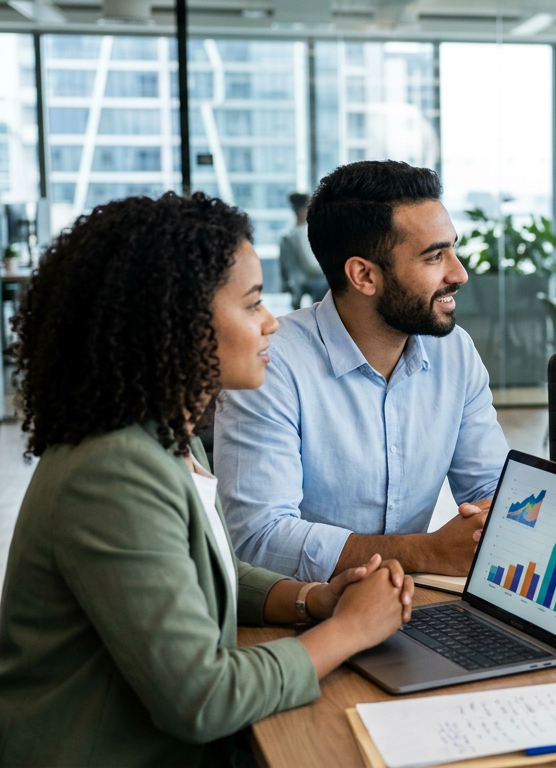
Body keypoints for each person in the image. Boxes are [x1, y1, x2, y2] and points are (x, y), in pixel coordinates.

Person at [0, 192, 416, 765]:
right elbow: (202, 698)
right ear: (175, 323)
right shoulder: (113, 469)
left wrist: (313, 600)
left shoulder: (169, 436)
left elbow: (209, 567)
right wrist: (349, 631)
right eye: (251, 305)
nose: (271, 321)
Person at [215, 160, 509, 583]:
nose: (459, 273)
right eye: (434, 256)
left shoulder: (454, 352)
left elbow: (491, 491)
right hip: (300, 616)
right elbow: (259, 539)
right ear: (364, 275)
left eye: (453, 249)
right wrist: (424, 552)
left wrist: (493, 514)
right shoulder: (272, 364)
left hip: (410, 605)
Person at [279, 191, 329, 308]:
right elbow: (310, 266)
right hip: (307, 279)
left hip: (296, 280)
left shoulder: (289, 233)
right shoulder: (302, 233)